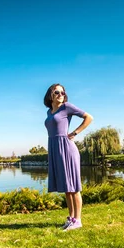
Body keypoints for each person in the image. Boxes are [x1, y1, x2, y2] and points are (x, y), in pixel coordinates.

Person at [43, 83, 93, 231]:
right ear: (50, 94)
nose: (60, 95)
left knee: (74, 187)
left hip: (67, 148)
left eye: (63, 93)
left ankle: (78, 220)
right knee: (66, 187)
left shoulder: (67, 107)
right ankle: (71, 218)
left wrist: (75, 133)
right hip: (54, 148)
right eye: (57, 92)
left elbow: (88, 117)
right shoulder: (49, 112)